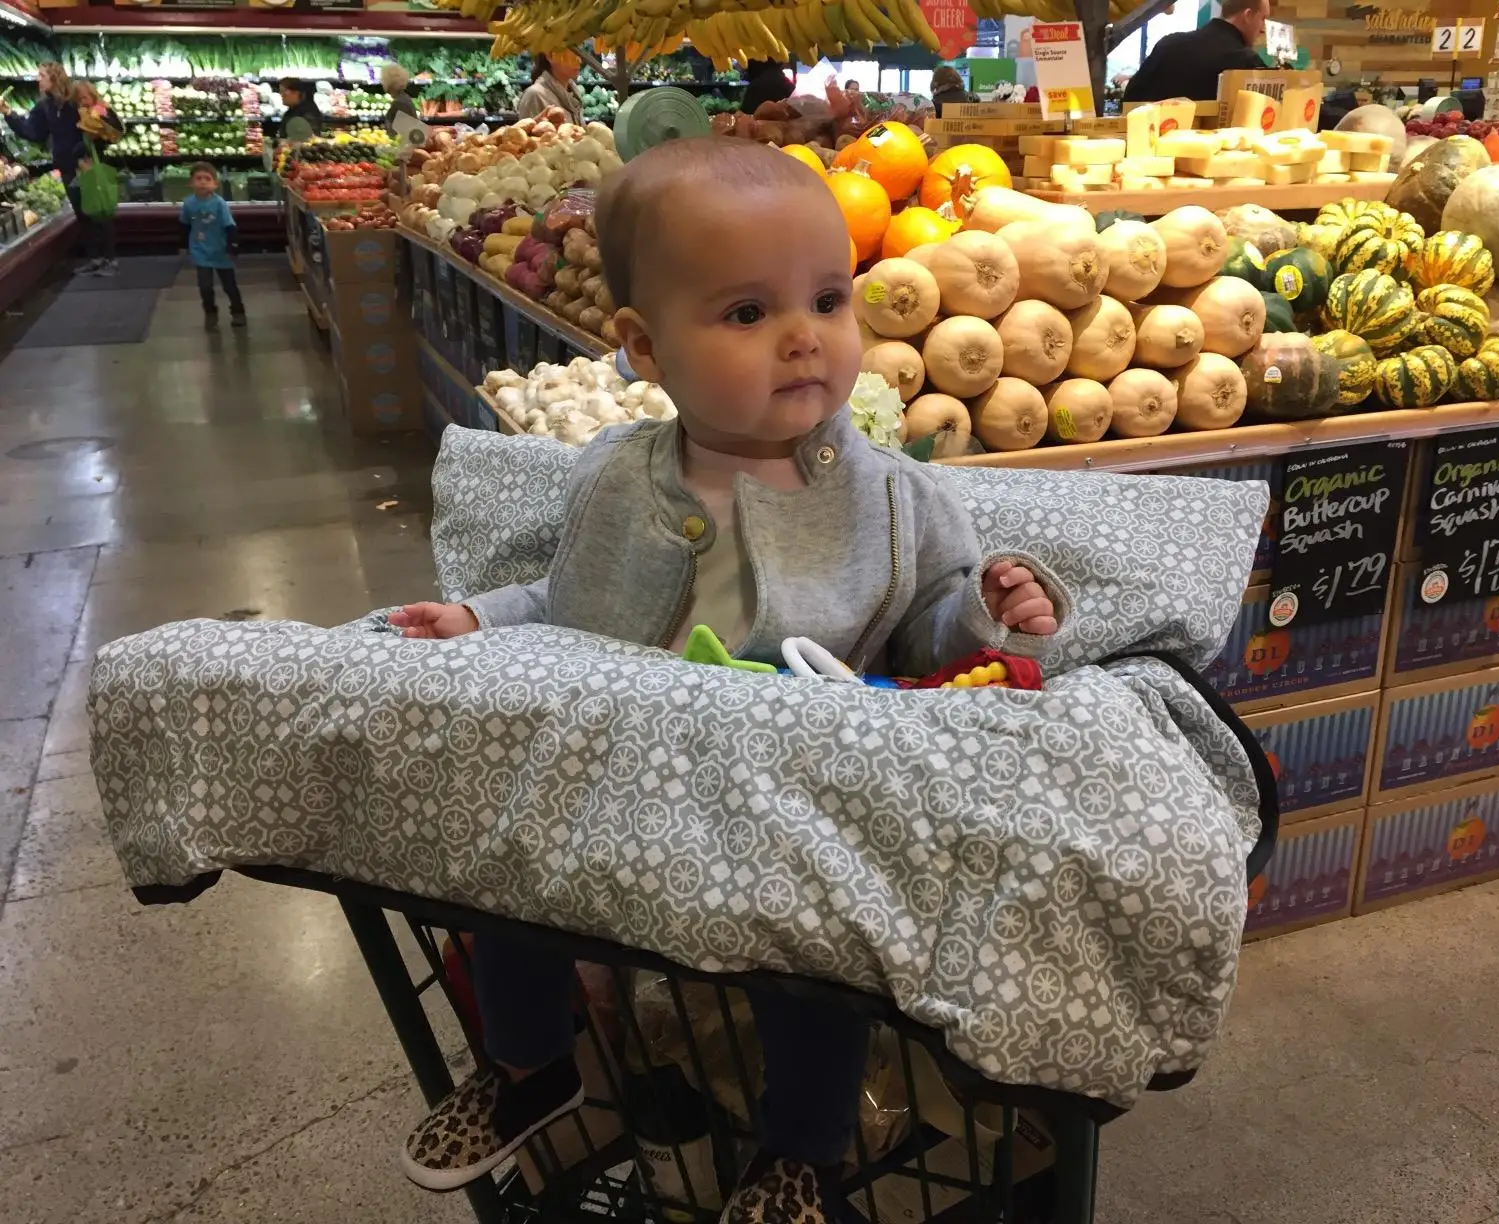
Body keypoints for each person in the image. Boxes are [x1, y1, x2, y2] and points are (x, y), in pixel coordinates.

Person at [387, 136, 1064, 1218]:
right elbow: (572, 602)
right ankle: (531, 1064)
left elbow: (930, 634)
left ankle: (802, 1149)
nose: (804, 336)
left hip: (790, 793)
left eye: (828, 299)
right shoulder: (617, 476)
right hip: (622, 777)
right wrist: (479, 616)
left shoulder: (895, 497)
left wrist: (990, 608)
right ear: (644, 347)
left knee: (819, 947)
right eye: (748, 313)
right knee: (501, 854)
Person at [0, 63, 108, 275]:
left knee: (93, 211)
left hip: (86, 164)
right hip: (67, 167)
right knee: (82, 212)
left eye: (42, 75)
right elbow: (34, 132)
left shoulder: (75, 100)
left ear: (54, 78)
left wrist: (85, 149)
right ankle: (96, 258)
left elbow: (99, 123)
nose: (38, 79)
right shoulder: (45, 105)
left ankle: (103, 256)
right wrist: (8, 113)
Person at [1122, 0, 1269, 103]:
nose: (1263, 29)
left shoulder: (1167, 45)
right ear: (1247, 15)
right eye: (1263, 18)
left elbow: (1130, 100)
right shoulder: (1248, 64)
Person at [69, 79, 124, 276]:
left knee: (104, 213)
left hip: (101, 167)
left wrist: (96, 134)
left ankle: (111, 259)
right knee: (90, 213)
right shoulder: (80, 113)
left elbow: (115, 133)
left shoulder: (102, 110)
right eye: (79, 99)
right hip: (86, 168)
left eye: (85, 97)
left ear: (92, 95)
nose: (82, 102)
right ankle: (96, 259)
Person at [180, 161, 245, 329]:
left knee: (229, 286)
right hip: (200, 250)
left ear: (215, 184)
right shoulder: (188, 204)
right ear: (191, 183)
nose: (202, 182)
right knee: (205, 287)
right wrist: (183, 245)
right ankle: (210, 313)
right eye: (198, 178)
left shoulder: (219, 203)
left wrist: (233, 246)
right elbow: (185, 225)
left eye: (207, 178)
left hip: (221, 250)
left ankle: (238, 312)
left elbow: (230, 226)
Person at [517, 51, 583, 123]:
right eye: (572, 55)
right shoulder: (535, 95)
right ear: (550, 56)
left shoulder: (575, 93)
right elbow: (522, 129)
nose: (579, 61)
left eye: (578, 54)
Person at [379, 62, 417, 129]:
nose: (382, 83)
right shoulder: (403, 98)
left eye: (383, 80)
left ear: (389, 82)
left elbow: (403, 131)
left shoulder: (399, 104)